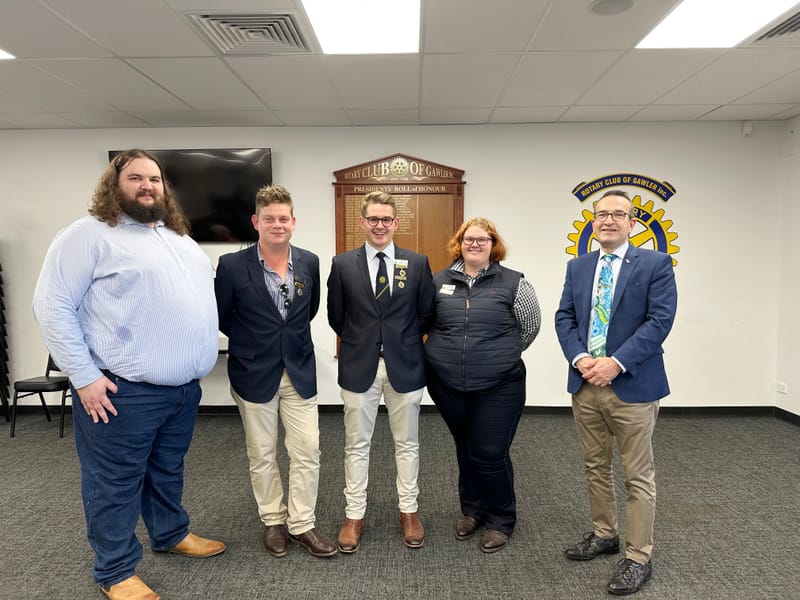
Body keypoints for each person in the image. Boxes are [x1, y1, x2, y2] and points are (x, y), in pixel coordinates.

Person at [32, 149, 225, 600]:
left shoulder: (178, 238)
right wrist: (83, 376)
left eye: (155, 179)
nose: (147, 186)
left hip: (181, 391)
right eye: (136, 177)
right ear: (113, 184)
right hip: (123, 391)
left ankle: (170, 533)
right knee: (113, 482)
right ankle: (115, 571)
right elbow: (52, 306)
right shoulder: (89, 235)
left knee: (166, 471)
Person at [554, 190, 677, 595]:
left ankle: (638, 556)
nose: (609, 220)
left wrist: (616, 362)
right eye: (602, 214)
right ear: (593, 221)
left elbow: (659, 321)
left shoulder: (656, 263)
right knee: (595, 466)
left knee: (637, 475)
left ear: (632, 222)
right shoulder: (579, 266)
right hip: (586, 382)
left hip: (632, 385)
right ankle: (604, 534)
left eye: (618, 214)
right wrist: (580, 358)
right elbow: (565, 317)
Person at [215, 185, 336, 559]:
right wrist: (256, 343)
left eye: (283, 218)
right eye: (269, 219)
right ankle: (273, 520)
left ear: (294, 222)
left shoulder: (310, 261)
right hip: (253, 372)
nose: (277, 224)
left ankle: (302, 524)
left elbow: (309, 310)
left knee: (308, 450)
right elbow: (221, 317)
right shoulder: (233, 266)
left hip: (299, 370)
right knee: (262, 453)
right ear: (256, 222)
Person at [326, 190, 435, 553]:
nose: (379, 225)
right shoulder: (343, 264)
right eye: (372, 219)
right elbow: (336, 317)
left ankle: (409, 511)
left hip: (405, 366)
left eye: (386, 219)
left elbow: (425, 314)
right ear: (362, 222)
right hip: (360, 368)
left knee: (408, 445)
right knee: (357, 445)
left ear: (395, 222)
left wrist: (398, 341)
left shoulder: (417, 263)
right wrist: (364, 341)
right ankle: (354, 515)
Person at [425, 217, 541, 553]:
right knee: (466, 447)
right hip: (448, 384)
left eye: (483, 239)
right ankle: (471, 511)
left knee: (490, 453)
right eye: (468, 239)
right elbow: (429, 322)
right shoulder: (439, 281)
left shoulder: (514, 282)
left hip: (499, 385)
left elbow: (529, 328)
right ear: (459, 243)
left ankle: (500, 519)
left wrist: (499, 355)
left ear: (493, 244)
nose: (475, 244)